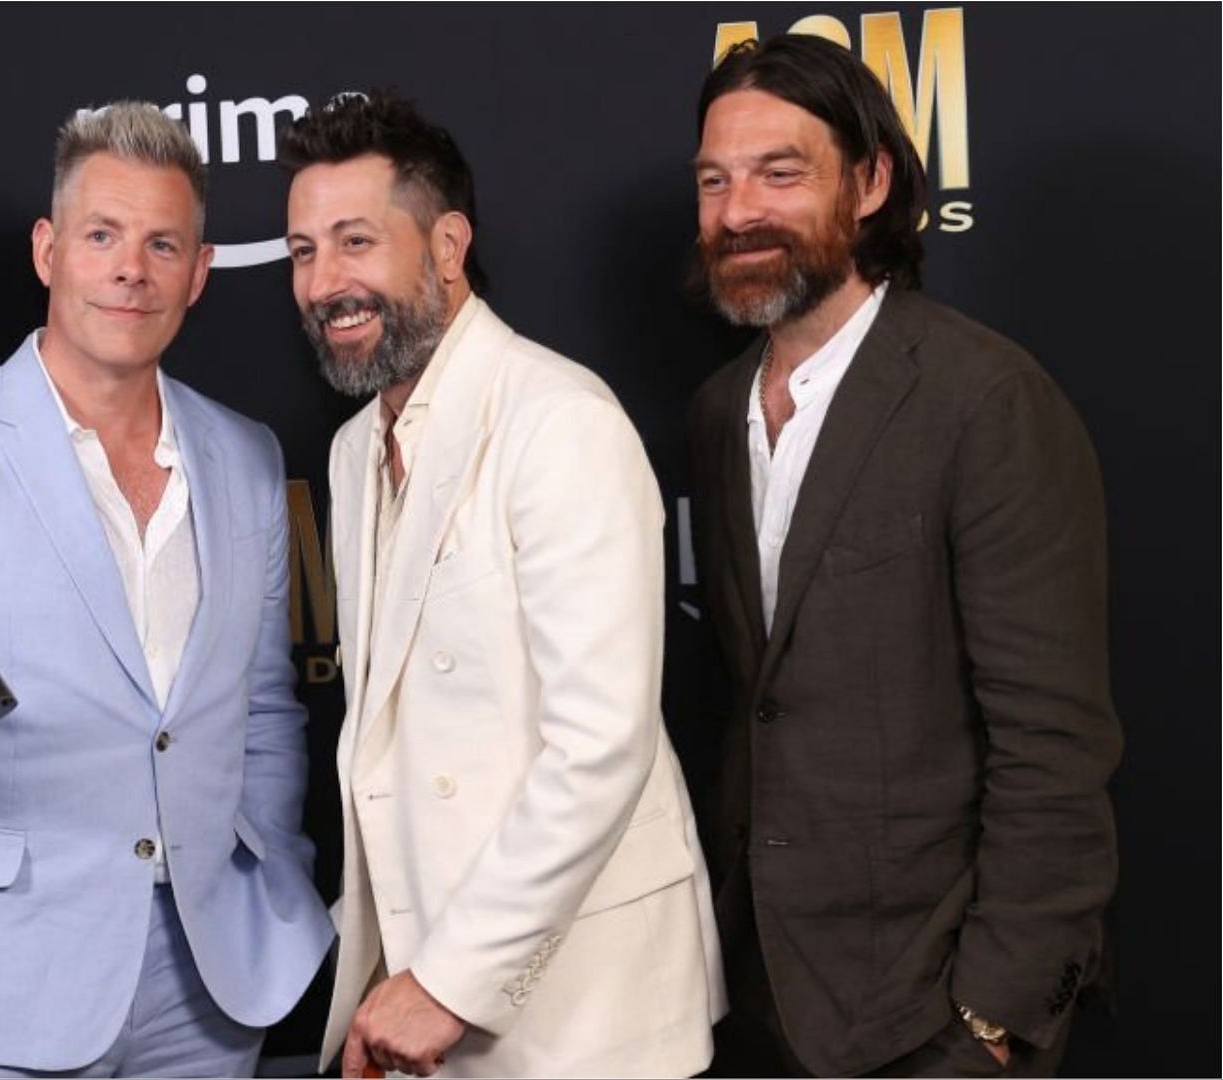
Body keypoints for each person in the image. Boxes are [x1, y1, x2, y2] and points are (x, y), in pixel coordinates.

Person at [0, 102, 332, 1079]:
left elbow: (266, 708)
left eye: (161, 243)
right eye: (102, 236)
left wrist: (275, 875)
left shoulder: (247, 458)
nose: (130, 269)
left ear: (199, 271)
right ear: (49, 252)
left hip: (209, 986)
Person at [684, 34, 1121, 1078]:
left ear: (871, 181)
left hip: (933, 1020)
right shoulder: (712, 413)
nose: (739, 210)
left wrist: (996, 1022)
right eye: (714, 179)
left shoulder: (986, 401)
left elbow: (1055, 749)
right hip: (754, 1001)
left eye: (780, 173)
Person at [281, 91, 724, 1079]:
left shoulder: (557, 421)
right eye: (303, 251)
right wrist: (394, 975)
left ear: (446, 245)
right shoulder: (356, 452)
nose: (324, 282)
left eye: (357, 241)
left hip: (583, 1014)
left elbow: (598, 747)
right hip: (424, 1005)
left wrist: (448, 982)